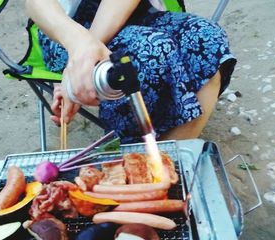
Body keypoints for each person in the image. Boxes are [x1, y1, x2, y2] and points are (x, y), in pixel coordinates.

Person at [25, 0, 236, 143]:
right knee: (144, 57)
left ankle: (170, 166)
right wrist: (80, 48)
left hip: (131, 11)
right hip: (66, 29)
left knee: (207, 39)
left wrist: (88, 54)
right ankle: (134, 169)